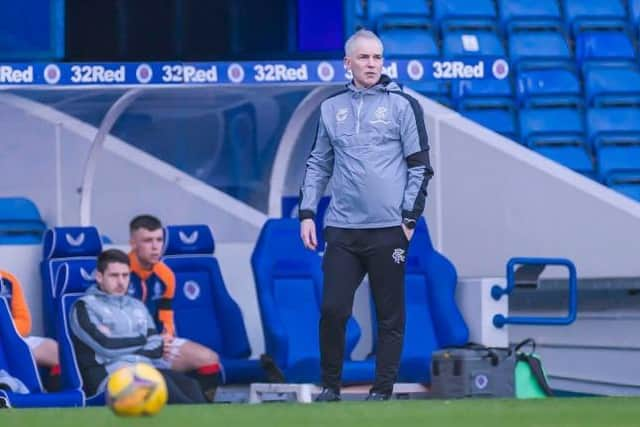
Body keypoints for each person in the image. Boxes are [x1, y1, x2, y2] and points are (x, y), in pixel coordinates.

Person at [299, 29, 433, 402]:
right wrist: (307, 213)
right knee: (333, 309)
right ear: (348, 63)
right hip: (341, 229)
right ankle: (330, 387)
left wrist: (408, 221)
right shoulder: (330, 108)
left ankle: (382, 390)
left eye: (377, 57)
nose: (372, 64)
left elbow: (420, 167)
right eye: (364, 58)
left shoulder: (403, 105)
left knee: (390, 315)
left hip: (390, 230)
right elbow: (317, 164)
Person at [69, 249, 207, 404]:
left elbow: (156, 348)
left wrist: (119, 340)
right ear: (100, 277)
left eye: (125, 275)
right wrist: (143, 341)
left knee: (190, 385)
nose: (121, 282)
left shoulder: (136, 305)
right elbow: (106, 346)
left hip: (144, 368)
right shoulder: (84, 306)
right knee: (165, 387)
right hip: (108, 377)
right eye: (114, 276)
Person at [127, 215, 222, 399]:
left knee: (208, 358)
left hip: (157, 344)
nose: (155, 247)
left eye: (159, 240)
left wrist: (166, 338)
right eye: (147, 241)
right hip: (126, 347)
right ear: (133, 243)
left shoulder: (166, 275)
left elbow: (166, 316)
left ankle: (205, 411)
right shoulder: (120, 272)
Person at [0, 269, 61, 391]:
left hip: (13, 337)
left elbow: (24, 323)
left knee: (56, 351)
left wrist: (6, 331)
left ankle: (51, 395)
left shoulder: (8, 280)